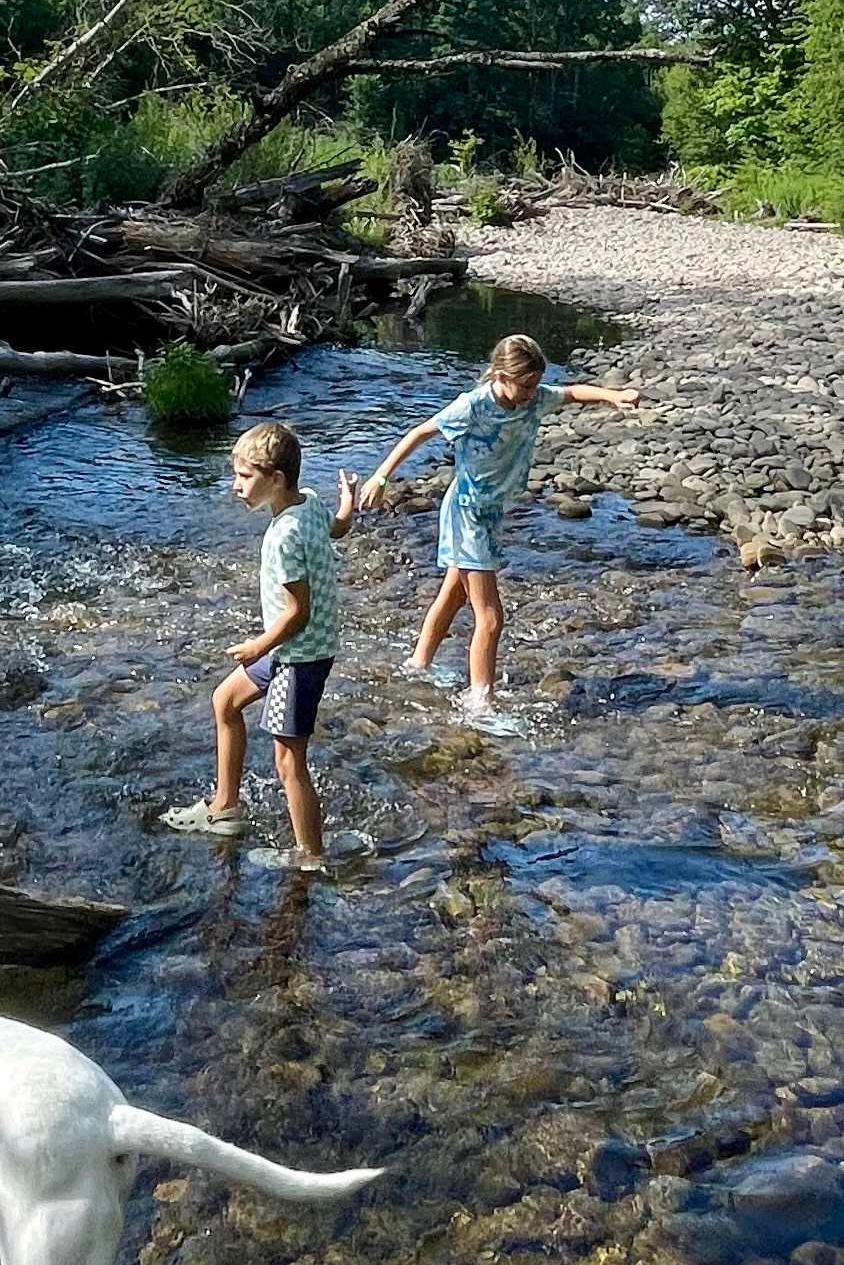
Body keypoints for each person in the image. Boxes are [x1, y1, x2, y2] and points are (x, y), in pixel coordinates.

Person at [356, 329, 642, 721]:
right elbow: (421, 432)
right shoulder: (472, 406)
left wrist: (614, 397)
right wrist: (381, 477)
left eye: (535, 384)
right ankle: (480, 702)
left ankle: (418, 664)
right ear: (501, 376)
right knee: (490, 616)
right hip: (467, 511)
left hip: (489, 511)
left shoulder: (533, 399)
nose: (531, 393)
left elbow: (573, 392)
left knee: (455, 595)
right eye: (524, 385)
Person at [163, 420, 355, 873]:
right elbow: (339, 529)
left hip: (296, 654)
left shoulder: (283, 537)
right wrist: (348, 500)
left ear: (276, 480)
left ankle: (311, 858)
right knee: (225, 701)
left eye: (245, 477)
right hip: (296, 647)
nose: (236, 487)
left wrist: (257, 646)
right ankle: (225, 808)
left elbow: (297, 612)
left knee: (288, 761)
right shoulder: (309, 502)